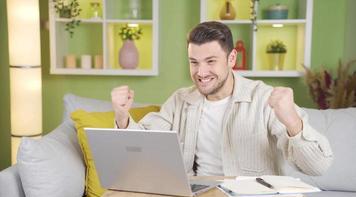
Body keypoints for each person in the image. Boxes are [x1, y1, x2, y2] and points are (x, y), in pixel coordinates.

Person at [111, 21, 333, 176]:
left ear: (231, 58)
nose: (201, 72)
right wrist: (122, 118)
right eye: (194, 62)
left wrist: (292, 121)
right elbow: (144, 146)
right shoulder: (180, 100)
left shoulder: (264, 98)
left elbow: (318, 166)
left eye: (210, 61)